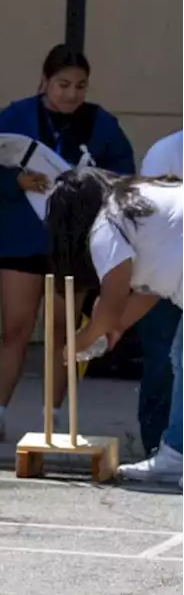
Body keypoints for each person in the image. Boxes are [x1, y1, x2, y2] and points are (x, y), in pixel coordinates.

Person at [0, 44, 134, 444]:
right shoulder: (18, 115)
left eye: (80, 85)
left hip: (73, 244)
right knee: (15, 329)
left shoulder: (101, 123)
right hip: (20, 239)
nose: (71, 94)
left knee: (62, 331)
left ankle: (53, 416)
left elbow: (125, 176)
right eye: (63, 84)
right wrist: (15, 181)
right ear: (44, 82)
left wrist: (92, 184)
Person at [47, 166, 184, 489]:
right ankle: (176, 453)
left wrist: (79, 341)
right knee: (181, 358)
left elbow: (111, 300)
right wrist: (116, 327)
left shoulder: (106, 225)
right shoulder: (134, 202)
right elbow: (149, 290)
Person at [116, 130, 184, 479]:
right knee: (171, 359)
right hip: (173, 271)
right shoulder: (167, 151)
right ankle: (170, 448)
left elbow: (143, 291)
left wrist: (107, 329)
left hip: (173, 271)